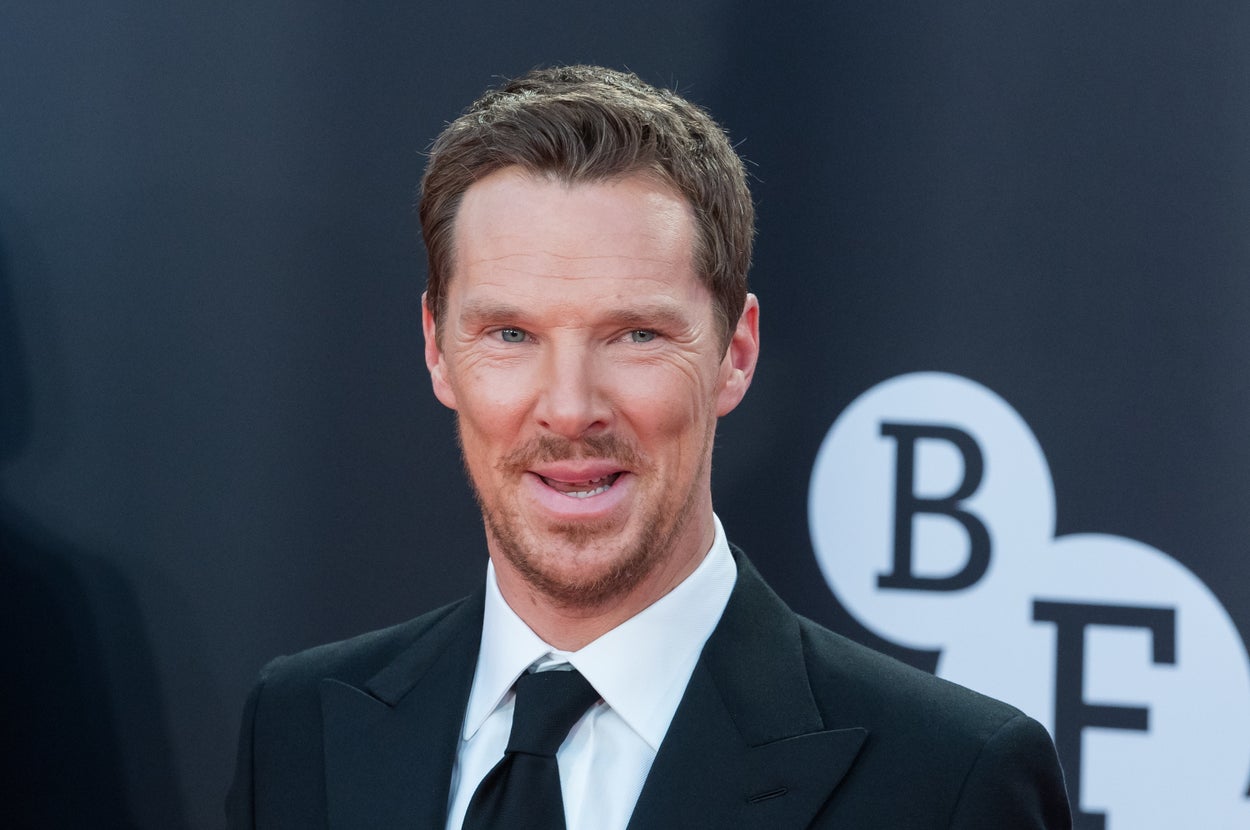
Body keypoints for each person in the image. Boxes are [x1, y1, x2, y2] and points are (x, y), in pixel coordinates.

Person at [226, 65, 1071, 829]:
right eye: (511, 333)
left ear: (734, 355)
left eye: (634, 335)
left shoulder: (947, 780)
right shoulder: (303, 727)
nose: (569, 409)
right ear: (437, 348)